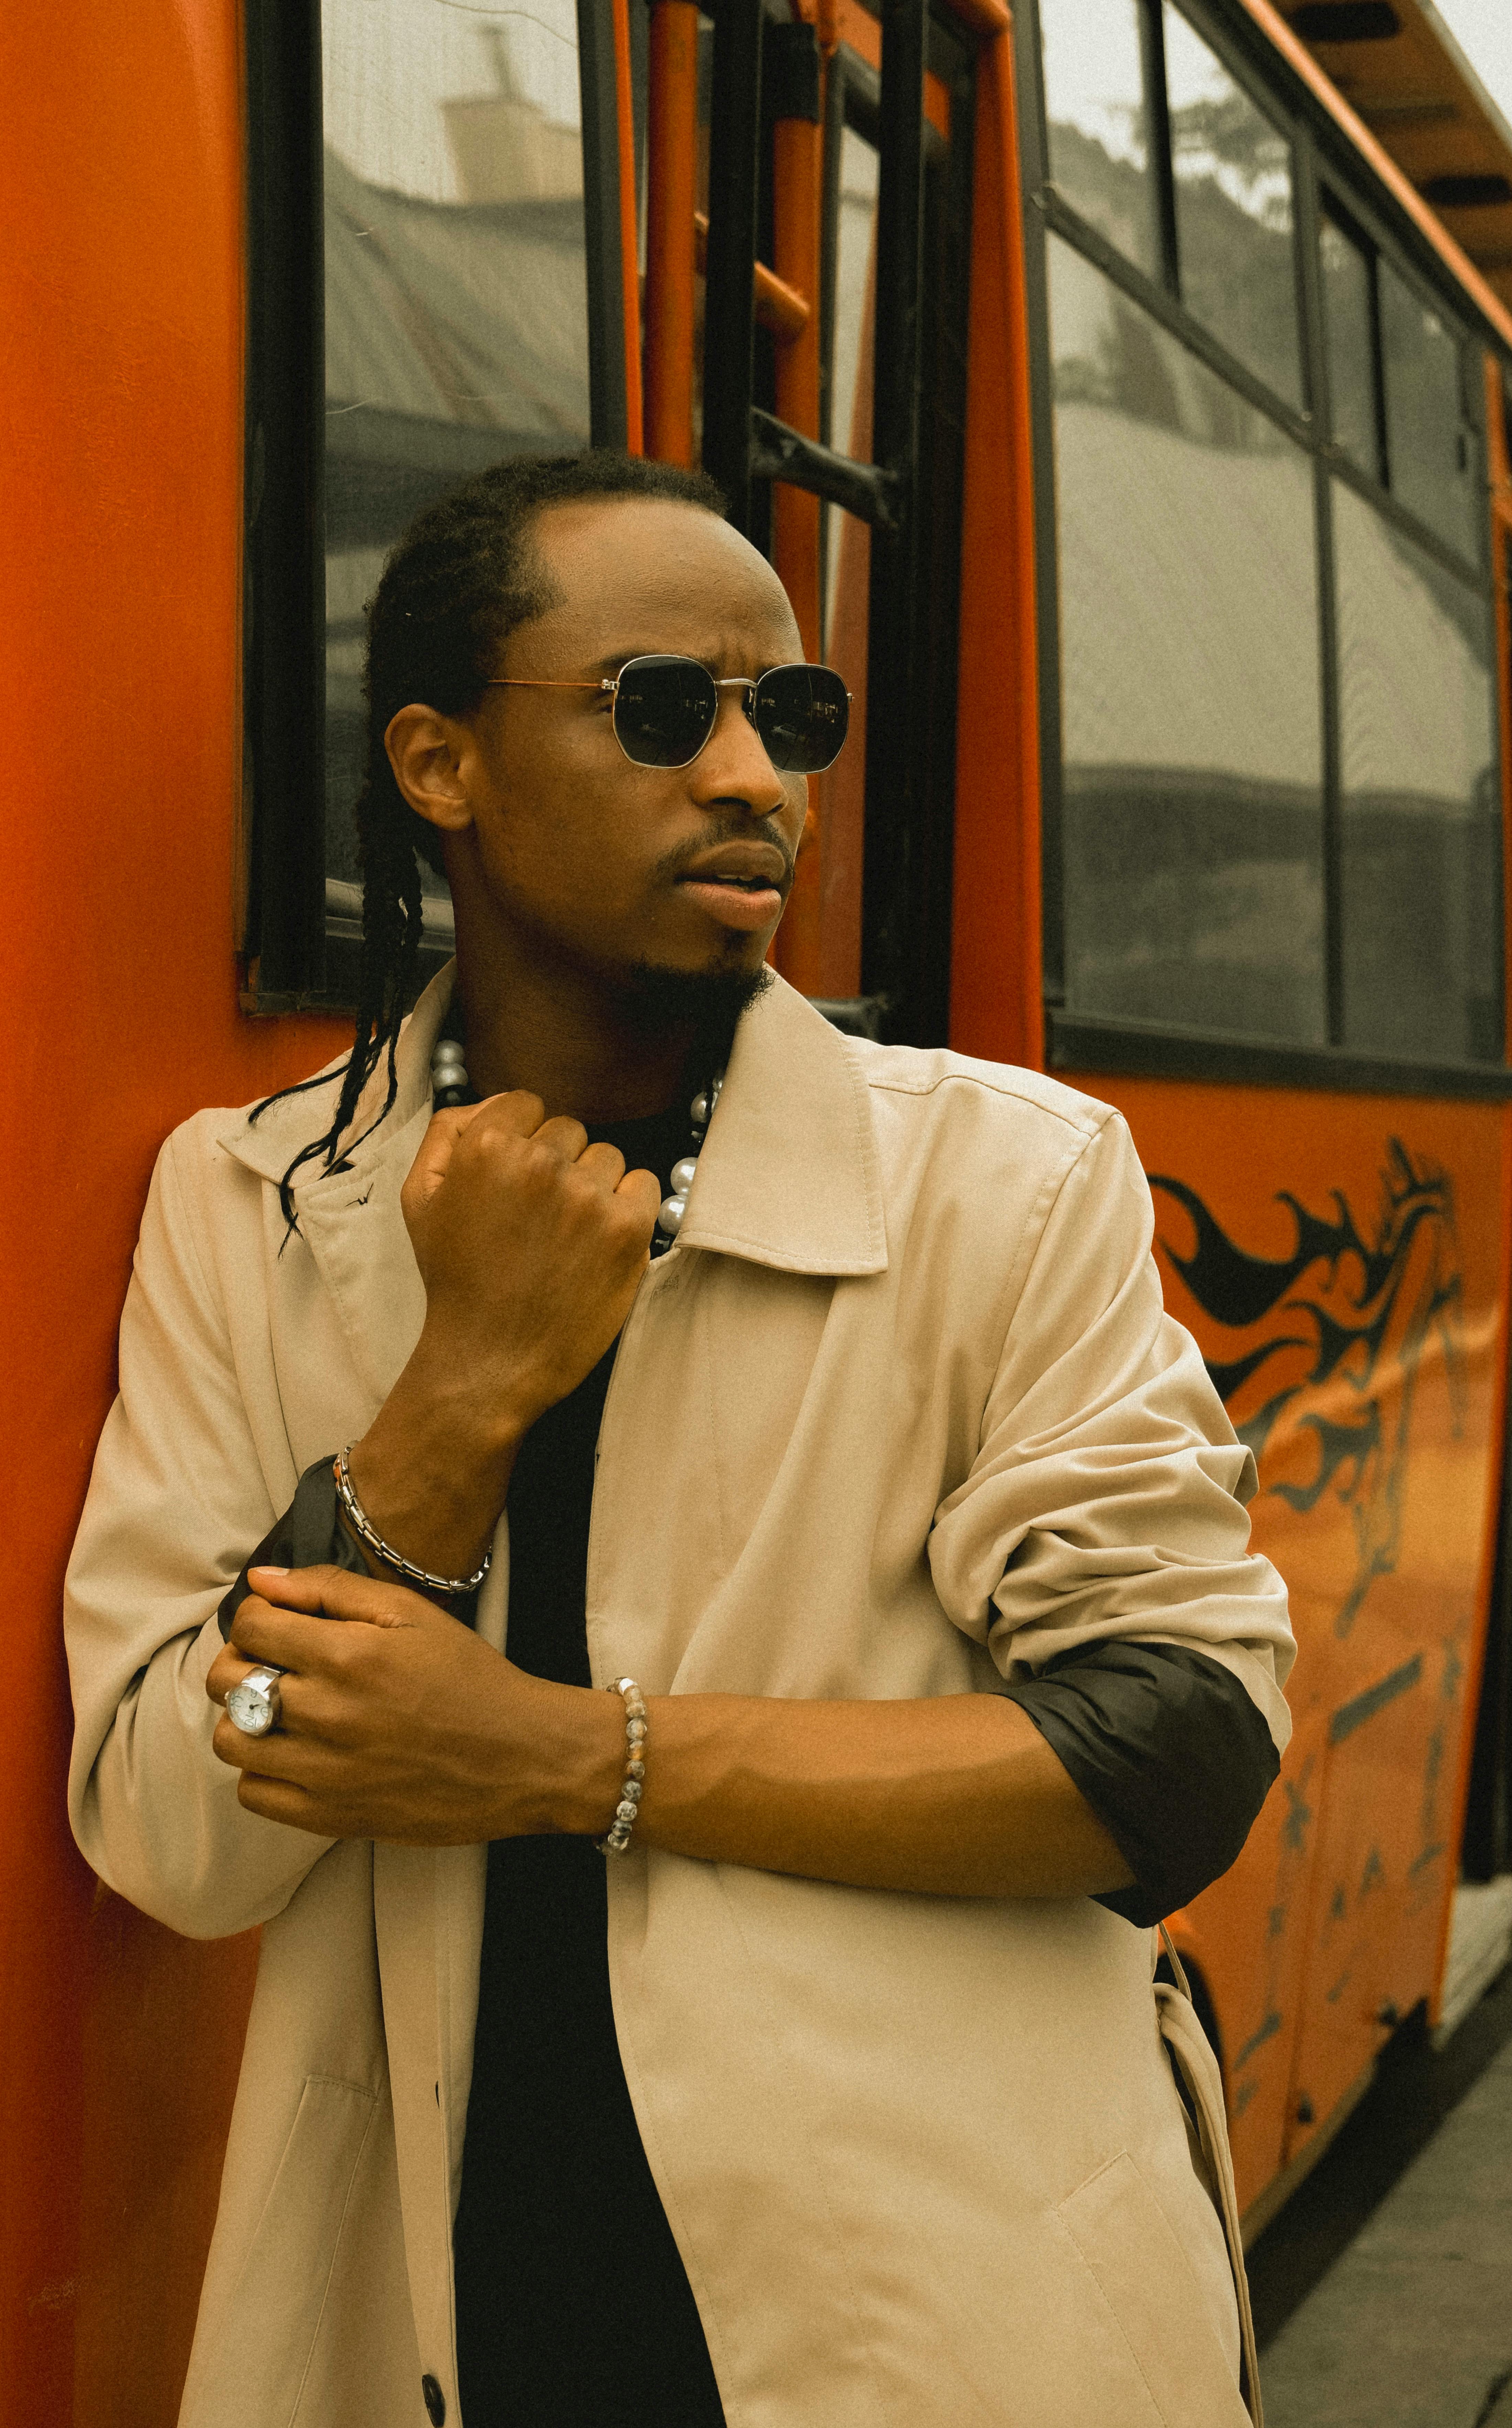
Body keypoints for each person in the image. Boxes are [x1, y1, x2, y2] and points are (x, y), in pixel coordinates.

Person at [66, 451, 1293, 2428]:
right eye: (660, 709)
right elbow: (172, 1835)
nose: (753, 777)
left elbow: (1174, 1750)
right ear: (437, 761)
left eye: (787, 716)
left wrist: (565, 1754)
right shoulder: (253, 1201)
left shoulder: (1005, 1175)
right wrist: (458, 1392)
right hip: (463, 2334)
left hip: (952, 2336)